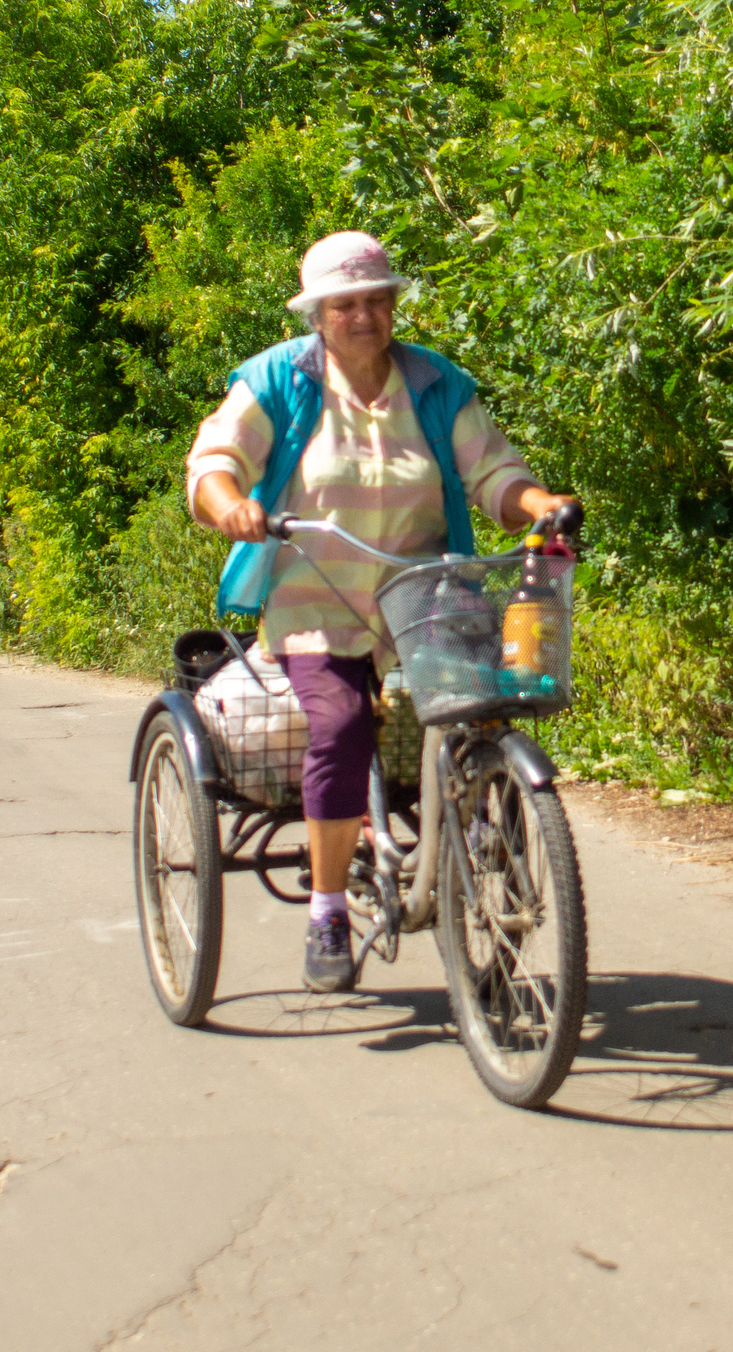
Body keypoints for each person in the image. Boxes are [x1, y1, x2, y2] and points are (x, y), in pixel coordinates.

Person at [186, 231, 575, 993]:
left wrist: (537, 503)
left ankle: (476, 851)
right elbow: (215, 460)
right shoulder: (279, 380)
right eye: (344, 304)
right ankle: (327, 909)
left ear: (393, 304)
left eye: (375, 300)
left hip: (424, 592)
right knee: (339, 724)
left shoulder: (433, 383)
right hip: (314, 600)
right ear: (318, 314)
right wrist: (230, 505)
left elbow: (491, 468)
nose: (363, 315)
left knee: (485, 707)